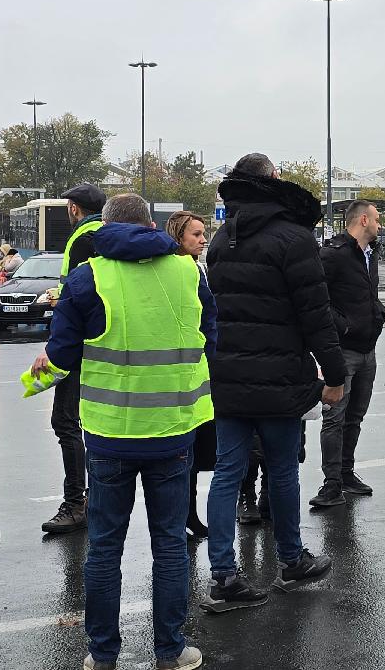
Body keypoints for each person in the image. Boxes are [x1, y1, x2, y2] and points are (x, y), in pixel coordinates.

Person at [30, 193, 213, 670]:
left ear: (102, 226)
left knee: (105, 546)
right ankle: (171, 651)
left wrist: (42, 368)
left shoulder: (88, 277)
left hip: (109, 435)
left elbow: (63, 355)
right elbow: (210, 337)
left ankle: (102, 654)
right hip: (173, 431)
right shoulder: (189, 273)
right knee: (170, 543)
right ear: (151, 225)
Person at [203, 153, 346, 612]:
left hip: (228, 375)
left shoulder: (223, 239)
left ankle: (223, 572)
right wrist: (335, 372)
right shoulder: (294, 237)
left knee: (227, 472)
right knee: (282, 470)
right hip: (281, 376)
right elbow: (314, 313)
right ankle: (290, 559)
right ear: (274, 181)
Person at [311, 200, 385, 508]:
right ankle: (331, 484)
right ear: (364, 220)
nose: (381, 225)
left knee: (355, 417)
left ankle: (346, 473)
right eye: (378, 220)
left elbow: (368, 296)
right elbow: (317, 298)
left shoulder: (371, 255)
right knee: (335, 418)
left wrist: (378, 314)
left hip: (368, 351)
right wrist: (343, 326)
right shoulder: (334, 255)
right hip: (344, 351)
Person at [40, 183, 106, 535]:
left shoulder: (83, 238)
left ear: (74, 208)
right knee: (92, 423)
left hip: (79, 346)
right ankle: (96, 499)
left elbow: (79, 298)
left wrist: (56, 348)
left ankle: (75, 503)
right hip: (103, 344)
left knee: (66, 422)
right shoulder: (108, 234)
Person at [166, 211, 217, 537]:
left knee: (194, 452)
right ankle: (182, 516)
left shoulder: (196, 268)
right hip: (184, 372)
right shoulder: (181, 272)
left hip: (194, 372)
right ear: (179, 237)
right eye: (196, 235)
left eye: (203, 234)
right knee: (183, 452)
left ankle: (188, 514)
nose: (203, 240)